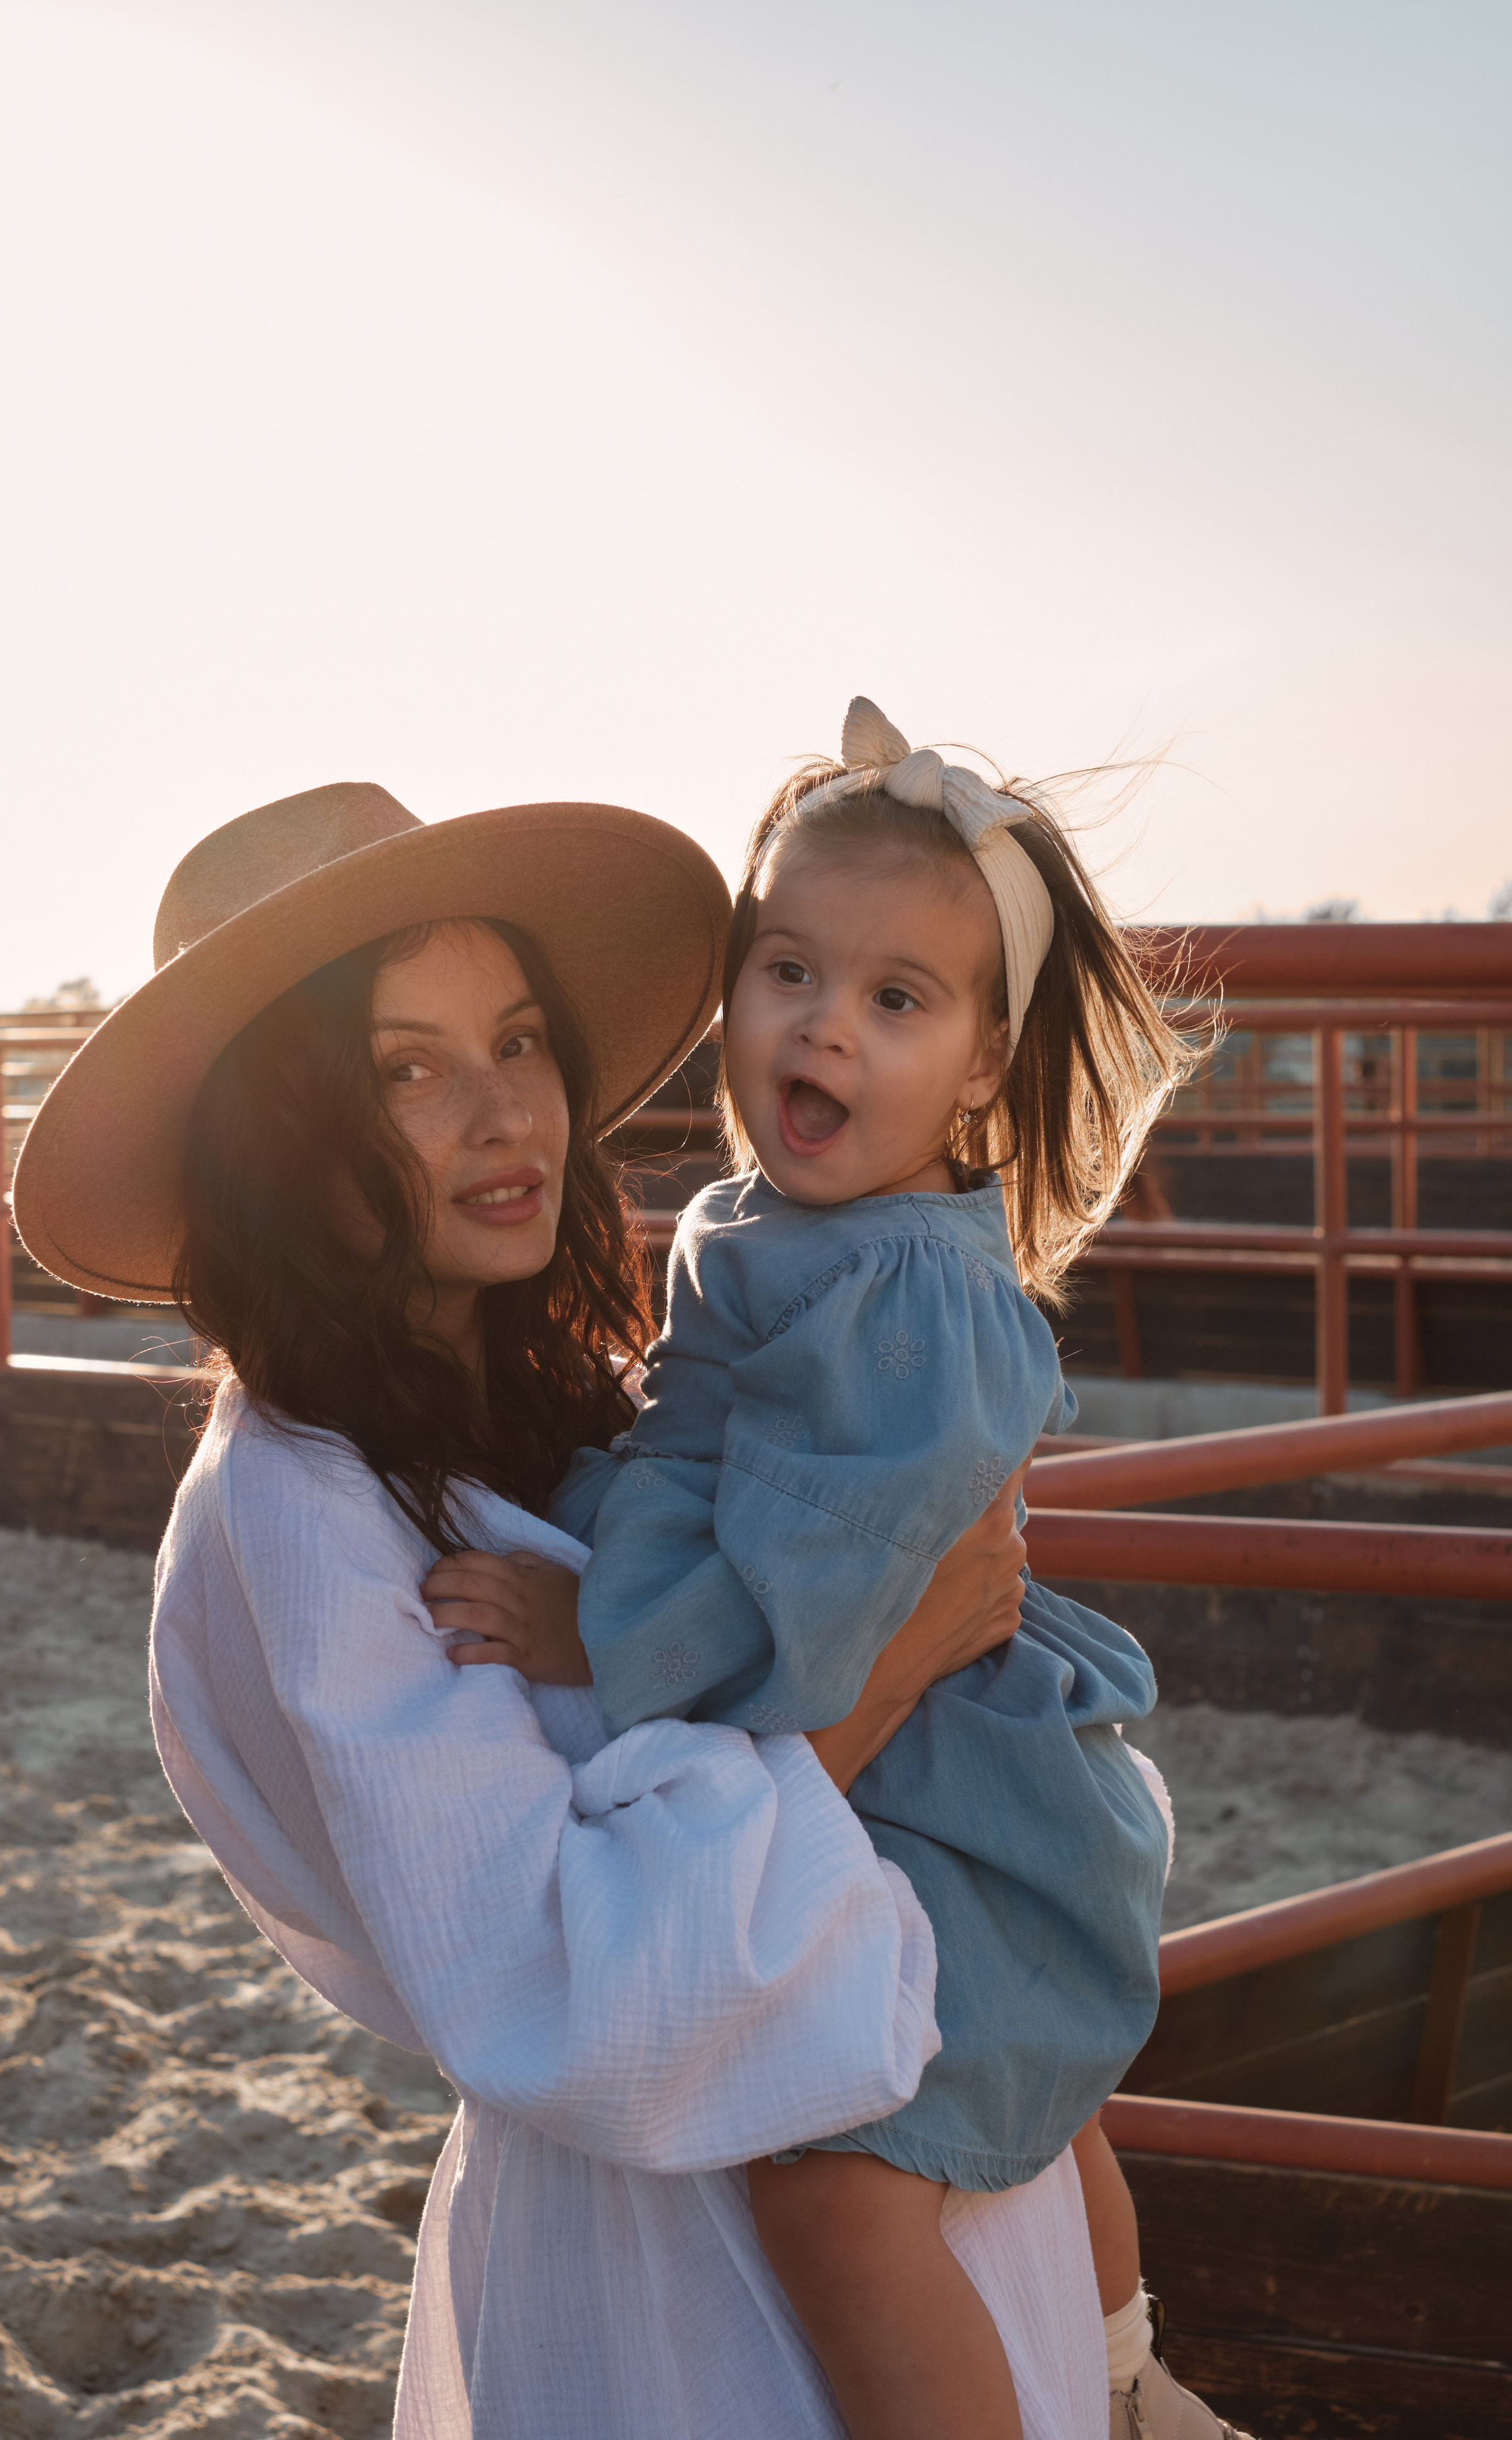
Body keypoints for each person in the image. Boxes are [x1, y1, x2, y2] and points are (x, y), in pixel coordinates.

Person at [11, 780, 1128, 2439]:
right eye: (407, 1069)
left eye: (519, 1041)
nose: (503, 1113)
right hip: (689, 2290)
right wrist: (886, 1671)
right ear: (277, 1129)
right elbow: (573, 1985)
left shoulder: (585, 1399)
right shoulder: (296, 1509)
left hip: (918, 2163)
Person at [428, 702, 1247, 2440]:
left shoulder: (905, 1290)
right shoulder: (783, 1227)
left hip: (955, 1807)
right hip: (926, 1766)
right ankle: (1125, 2375)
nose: (823, 1026)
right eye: (788, 970)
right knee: (1041, 2092)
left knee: (833, 2194)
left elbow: (815, 1601)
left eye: (897, 999)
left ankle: (1112, 2387)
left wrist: (595, 1625)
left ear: (983, 1065)